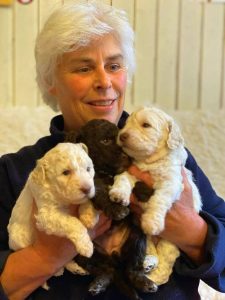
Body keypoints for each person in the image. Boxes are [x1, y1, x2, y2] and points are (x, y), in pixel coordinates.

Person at [0, 1, 225, 299]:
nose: (104, 82)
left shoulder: (164, 156)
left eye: (114, 66)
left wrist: (192, 231)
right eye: (84, 67)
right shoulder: (17, 171)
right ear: (50, 81)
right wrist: (45, 254)